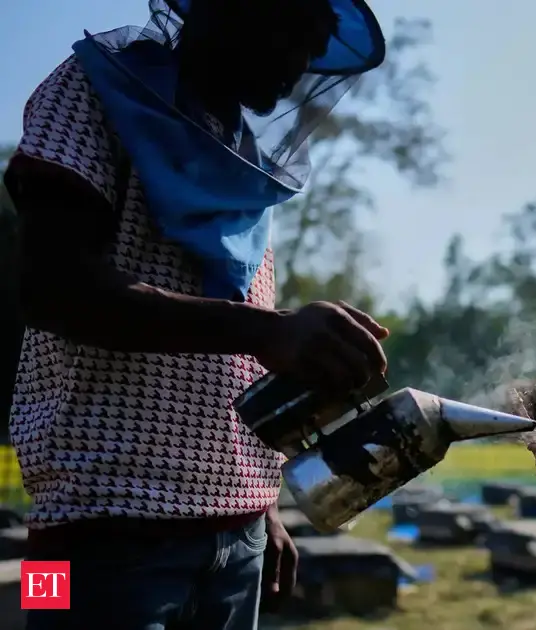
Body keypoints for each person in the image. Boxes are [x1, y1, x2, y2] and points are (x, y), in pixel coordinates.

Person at [6, 0, 390, 627]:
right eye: (294, 33)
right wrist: (269, 331)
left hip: (237, 536)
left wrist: (260, 498)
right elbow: (52, 288)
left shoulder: (240, 159)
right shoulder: (90, 88)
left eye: (315, 46)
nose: (301, 63)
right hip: (86, 527)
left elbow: (233, 351)